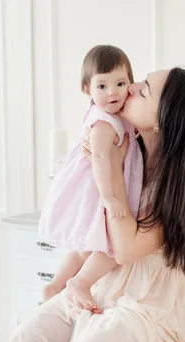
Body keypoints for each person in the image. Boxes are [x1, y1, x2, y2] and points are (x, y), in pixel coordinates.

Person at [3, 67, 185, 342]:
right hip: (102, 287)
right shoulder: (123, 147)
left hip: (150, 306)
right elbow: (93, 229)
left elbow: (124, 250)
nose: (130, 88)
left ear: (164, 122)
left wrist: (111, 171)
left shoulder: (180, 188)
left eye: (144, 90)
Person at [39, 45, 143, 312]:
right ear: (88, 90)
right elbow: (99, 158)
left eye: (120, 83)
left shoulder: (118, 117)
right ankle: (80, 282)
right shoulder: (103, 123)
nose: (113, 92)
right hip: (99, 191)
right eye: (102, 86)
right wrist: (109, 197)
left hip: (98, 189)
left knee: (85, 246)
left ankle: (56, 285)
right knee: (110, 247)